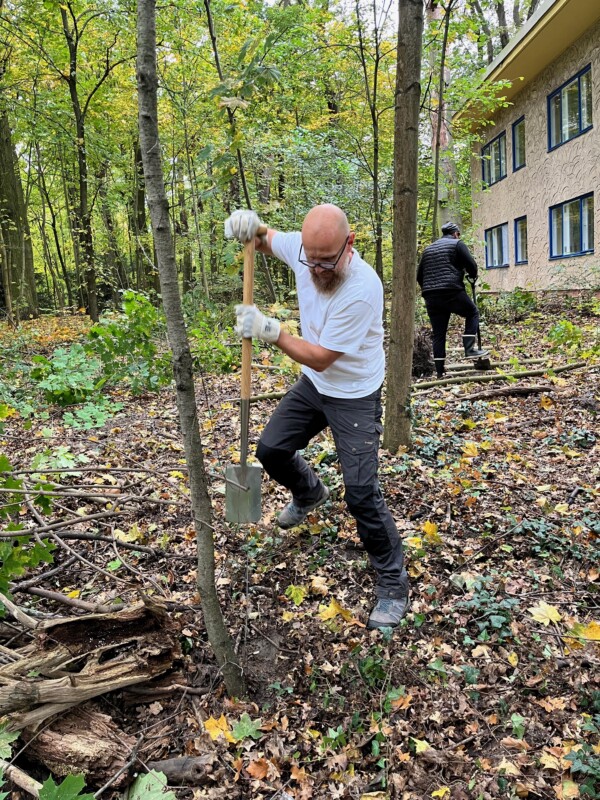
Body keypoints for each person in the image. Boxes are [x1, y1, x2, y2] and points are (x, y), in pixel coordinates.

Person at [224, 205, 409, 630]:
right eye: (312, 259)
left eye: (328, 260)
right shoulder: (305, 250)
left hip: (354, 393)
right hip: (314, 386)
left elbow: (324, 358)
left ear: (350, 244)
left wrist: (272, 332)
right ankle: (309, 493)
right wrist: (249, 226)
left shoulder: (363, 288)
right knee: (270, 450)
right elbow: (264, 240)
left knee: (361, 492)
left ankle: (393, 583)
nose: (319, 269)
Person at [417, 221, 488, 378]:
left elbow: (419, 275)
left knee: (439, 334)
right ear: (455, 233)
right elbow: (471, 264)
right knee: (472, 312)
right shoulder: (457, 244)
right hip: (451, 291)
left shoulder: (428, 250)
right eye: (458, 234)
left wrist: (428, 290)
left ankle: (440, 372)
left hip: (431, 296)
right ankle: (469, 349)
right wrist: (472, 274)